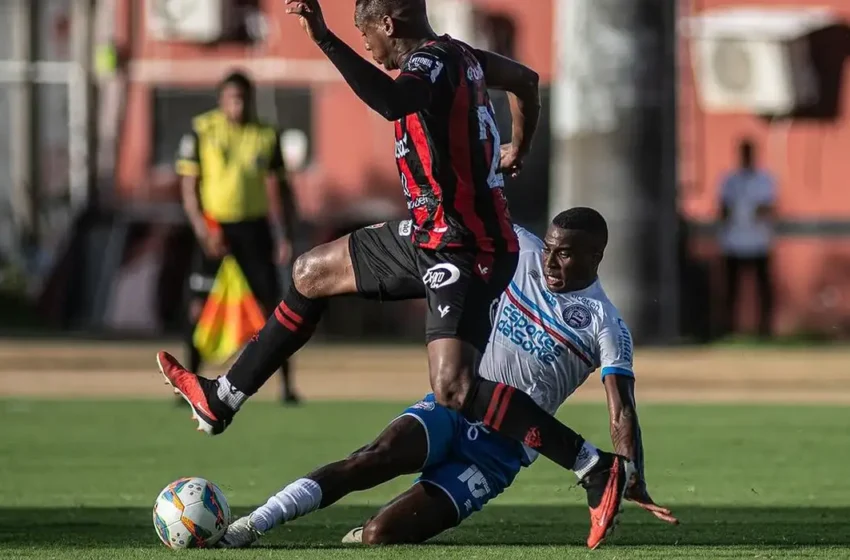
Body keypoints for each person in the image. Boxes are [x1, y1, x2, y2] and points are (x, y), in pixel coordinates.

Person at [157, 0, 630, 542]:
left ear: (387, 24)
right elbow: (524, 80)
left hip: (466, 247)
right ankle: (223, 398)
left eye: (366, 37)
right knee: (311, 273)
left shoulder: (430, 66)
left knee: (453, 387)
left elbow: (391, 101)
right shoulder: (464, 58)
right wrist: (517, 146)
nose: (367, 49)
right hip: (428, 235)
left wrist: (324, 38)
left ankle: (593, 465)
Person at [217, 209, 679, 551]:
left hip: (499, 454)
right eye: (551, 249)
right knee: (371, 459)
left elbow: (622, 410)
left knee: (382, 536)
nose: (550, 262)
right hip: (453, 406)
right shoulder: (521, 251)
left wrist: (631, 472)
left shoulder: (606, 324)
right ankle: (253, 524)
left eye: (565, 255)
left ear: (595, 255)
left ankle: (380, 527)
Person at [175, 70, 301, 405]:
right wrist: (203, 230)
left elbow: (280, 189)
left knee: (276, 309)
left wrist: (284, 234)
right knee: (197, 307)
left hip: (254, 229)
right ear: (221, 100)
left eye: (243, 99)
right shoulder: (202, 130)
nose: (238, 105)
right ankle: (189, 382)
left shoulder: (265, 135)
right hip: (214, 228)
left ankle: (286, 386)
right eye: (232, 99)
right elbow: (189, 187)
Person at [718, 138, 777, 338]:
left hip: (759, 241)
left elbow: (768, 207)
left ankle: (765, 329)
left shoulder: (764, 179)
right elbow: (722, 208)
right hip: (734, 242)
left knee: (763, 290)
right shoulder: (729, 180)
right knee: (732, 289)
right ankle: (728, 329)